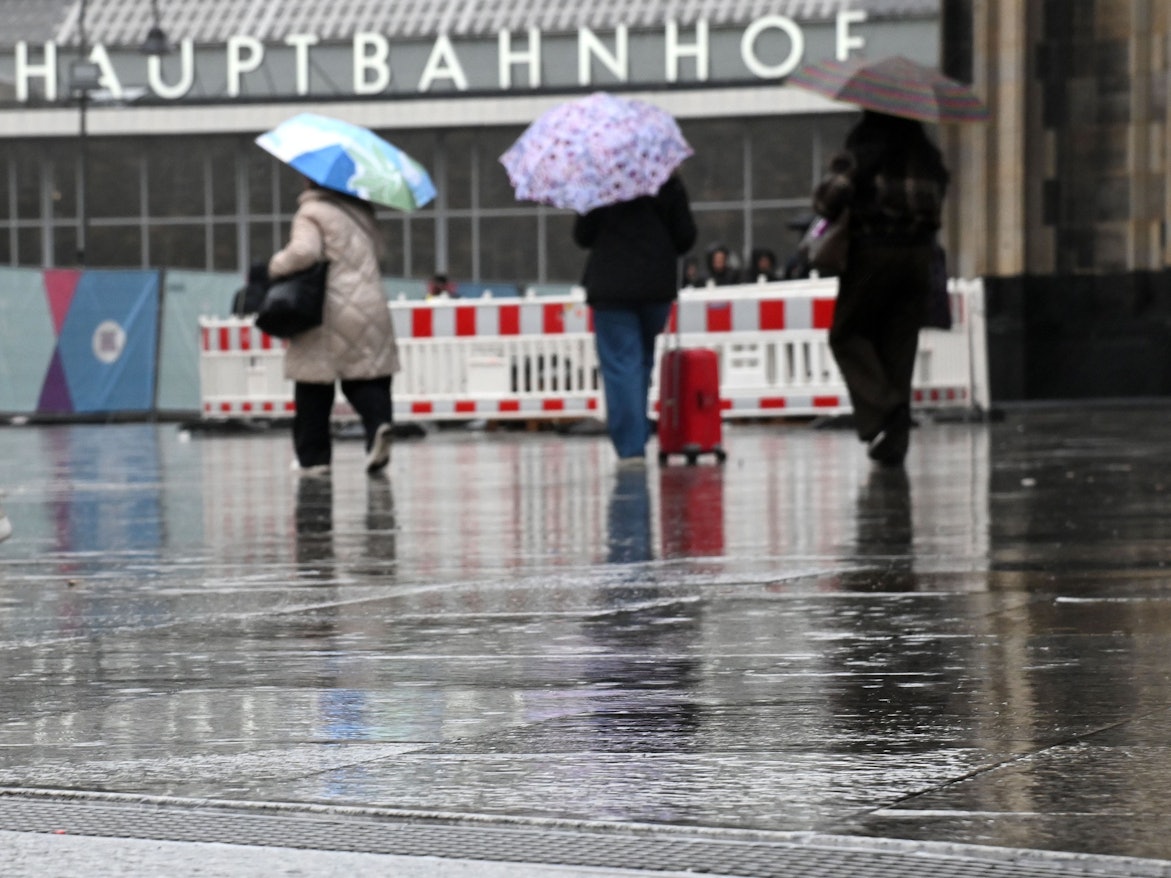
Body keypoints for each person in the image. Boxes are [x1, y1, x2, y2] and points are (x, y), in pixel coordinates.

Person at [813, 110, 950, 467]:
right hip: (920, 257)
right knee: (898, 345)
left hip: (874, 251)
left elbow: (827, 201)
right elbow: (940, 196)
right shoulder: (929, 157)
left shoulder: (864, 151)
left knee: (847, 333)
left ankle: (887, 409)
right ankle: (894, 444)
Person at [269, 178, 398, 476]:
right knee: (366, 375)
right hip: (370, 303)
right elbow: (379, 252)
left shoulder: (312, 212)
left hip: (328, 307)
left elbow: (304, 253)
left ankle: (314, 459)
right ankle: (379, 425)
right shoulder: (362, 211)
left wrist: (276, 264)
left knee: (313, 382)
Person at [573, 174, 697, 464]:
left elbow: (583, 236)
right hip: (656, 287)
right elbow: (685, 237)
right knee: (641, 362)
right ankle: (637, 432)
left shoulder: (599, 181)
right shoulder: (666, 180)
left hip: (611, 288)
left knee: (621, 366)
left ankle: (631, 447)